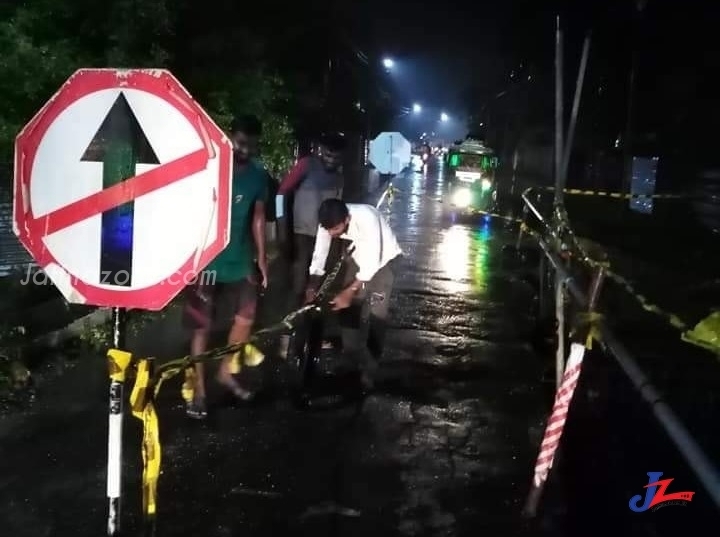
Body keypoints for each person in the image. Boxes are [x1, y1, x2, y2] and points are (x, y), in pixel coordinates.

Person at [181, 115, 270, 419]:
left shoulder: (259, 176)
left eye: (252, 145)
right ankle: (199, 391)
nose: (245, 150)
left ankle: (224, 372)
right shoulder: (210, 166)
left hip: (240, 258)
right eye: (241, 142)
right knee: (201, 326)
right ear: (230, 137)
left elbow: (258, 218)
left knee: (246, 317)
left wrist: (261, 258)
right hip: (205, 259)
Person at [304, 199, 402, 390]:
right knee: (348, 312)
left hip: (384, 262)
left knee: (376, 317)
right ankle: (350, 357)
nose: (331, 233)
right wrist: (312, 284)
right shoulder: (329, 220)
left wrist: (349, 291)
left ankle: (370, 370)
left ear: (347, 218)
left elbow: (373, 262)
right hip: (358, 260)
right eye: (328, 229)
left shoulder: (367, 217)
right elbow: (320, 252)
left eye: (335, 229)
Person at [277, 133, 346, 304]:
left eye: (336, 157)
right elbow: (281, 193)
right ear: (321, 151)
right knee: (300, 270)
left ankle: (312, 311)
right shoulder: (306, 165)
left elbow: (340, 208)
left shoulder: (339, 177)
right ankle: (294, 310)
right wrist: (281, 221)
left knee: (320, 274)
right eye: (329, 155)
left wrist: (342, 242)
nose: (331, 161)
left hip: (326, 232)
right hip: (302, 231)